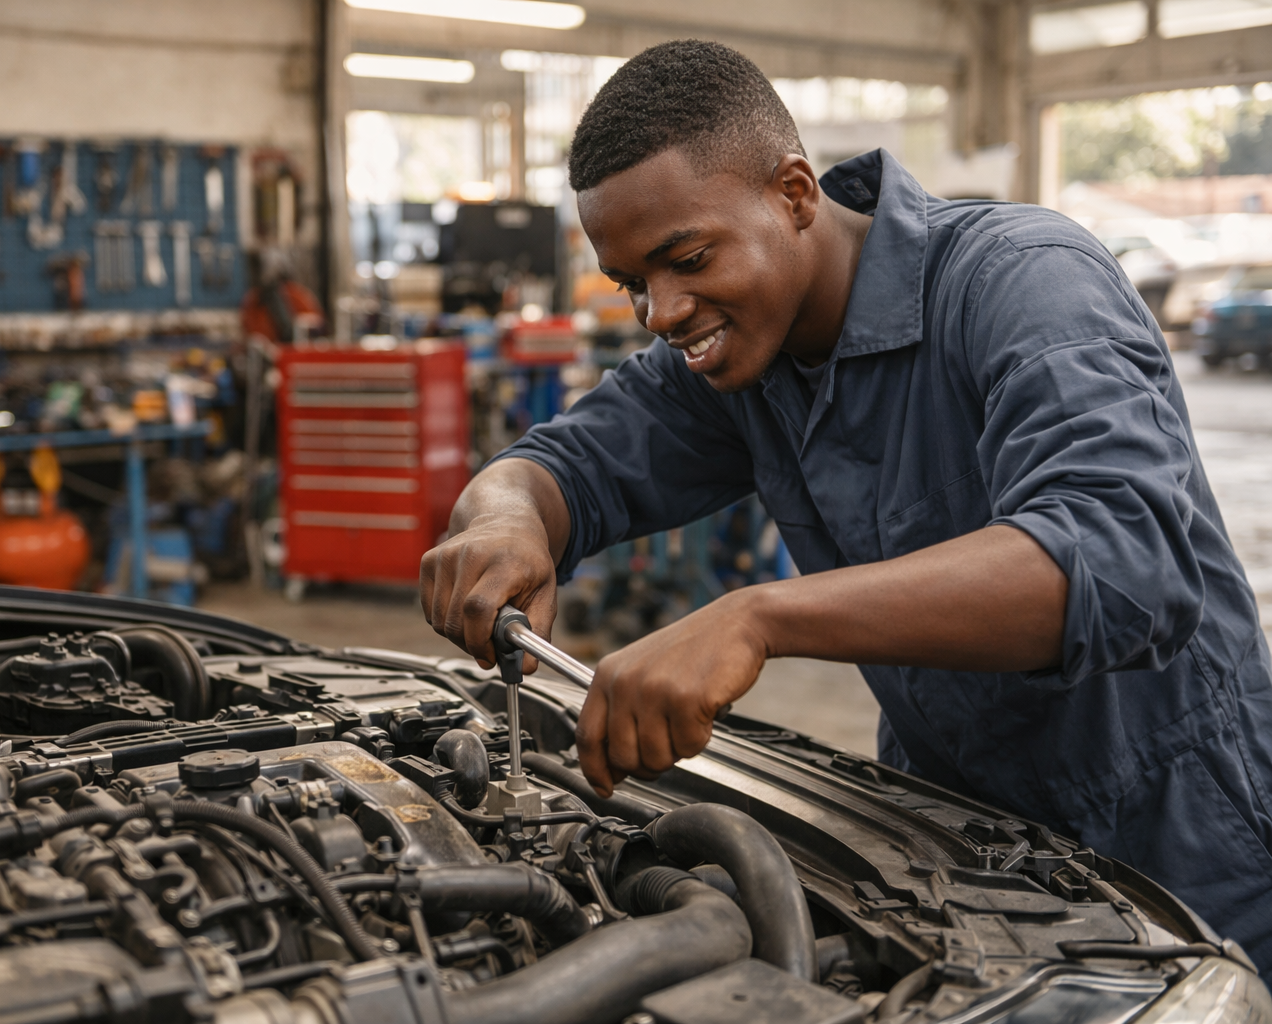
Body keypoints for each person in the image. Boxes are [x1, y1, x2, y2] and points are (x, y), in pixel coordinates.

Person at [419, 40, 1272, 967]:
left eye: (688, 258)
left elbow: (1124, 564)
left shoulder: (1023, 281)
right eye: (635, 285)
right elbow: (558, 466)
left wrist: (757, 618)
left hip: (1180, 836)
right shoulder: (741, 360)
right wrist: (506, 519)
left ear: (794, 194)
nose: (661, 313)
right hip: (954, 833)